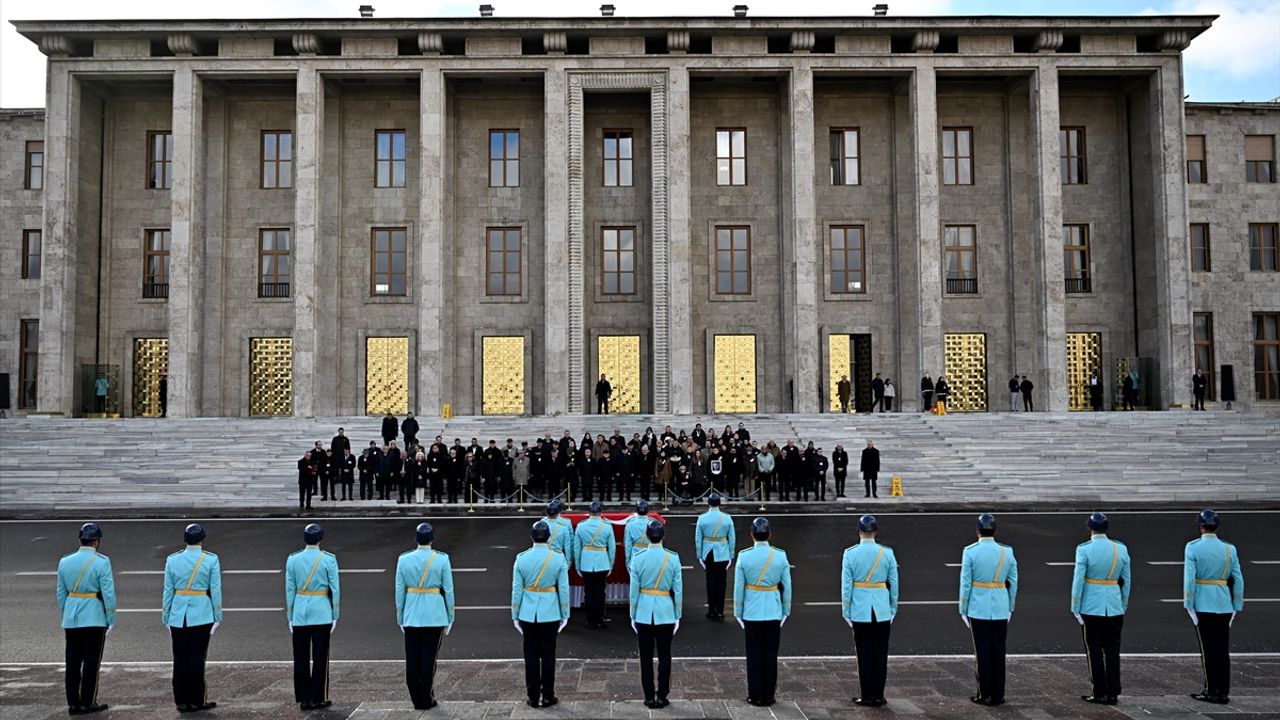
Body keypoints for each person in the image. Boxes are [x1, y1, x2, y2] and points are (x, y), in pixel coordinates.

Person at [1184, 509, 1245, 705]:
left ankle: (1211, 690)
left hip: (1203, 602)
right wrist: (1236, 605)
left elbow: (1189, 580)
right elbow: (1238, 579)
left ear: (1201, 527)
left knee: (1208, 649)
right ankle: (1223, 691)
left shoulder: (1193, 547)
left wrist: (1188, 604)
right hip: (1224, 603)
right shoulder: (1229, 549)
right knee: (1222, 649)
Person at [1070, 512, 1131, 705]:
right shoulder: (1120, 548)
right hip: (1114, 604)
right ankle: (1113, 691)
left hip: (1091, 605)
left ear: (1089, 529)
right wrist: (1122, 603)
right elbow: (1126, 581)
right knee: (1113, 649)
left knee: (1094, 650)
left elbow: (1078, 580)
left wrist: (1075, 606)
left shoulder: (1084, 549)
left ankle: (1100, 691)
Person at [959, 513, 1018, 707]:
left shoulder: (971, 551)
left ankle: (985, 694)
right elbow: (1013, 582)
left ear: (978, 531)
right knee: (998, 651)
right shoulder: (1006, 552)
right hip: (1000, 606)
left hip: (978, 607)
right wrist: (1010, 605)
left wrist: (963, 608)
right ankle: (998, 694)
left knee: (982, 652)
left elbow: (966, 583)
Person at [162, 523, 222, 714]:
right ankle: (197, 699)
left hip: (178, 615)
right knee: (197, 658)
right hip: (202, 614)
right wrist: (217, 615)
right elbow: (216, 590)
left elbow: (168, 591)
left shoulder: (173, 560)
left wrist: (166, 616)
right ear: (202, 539)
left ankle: (181, 700)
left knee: (180, 658)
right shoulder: (210, 560)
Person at [57, 522, 116, 716]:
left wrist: (66, 614)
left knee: (72, 662)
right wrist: (110, 618)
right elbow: (108, 594)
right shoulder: (102, 561)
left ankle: (73, 703)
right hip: (94, 616)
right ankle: (87, 702)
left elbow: (61, 594)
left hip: (72, 618)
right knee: (92, 662)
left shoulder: (65, 561)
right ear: (96, 541)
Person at [733, 517, 793, 707]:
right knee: (770, 655)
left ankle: (755, 695)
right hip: (774, 609)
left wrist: (738, 611)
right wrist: (786, 610)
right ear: (769, 534)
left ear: (752, 535)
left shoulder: (744, 556)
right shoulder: (780, 555)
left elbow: (738, 587)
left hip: (751, 610)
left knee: (754, 655)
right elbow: (787, 587)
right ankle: (768, 695)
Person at [396, 523, 455, 710]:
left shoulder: (403, 560)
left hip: (411, 614)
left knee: (412, 657)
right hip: (435, 614)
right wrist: (450, 616)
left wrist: (400, 617)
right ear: (432, 539)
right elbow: (449, 591)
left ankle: (416, 697)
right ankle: (426, 697)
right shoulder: (442, 559)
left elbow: (399, 592)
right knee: (429, 659)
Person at [841, 514, 898, 708]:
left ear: (859, 532)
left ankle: (867, 695)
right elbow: (894, 584)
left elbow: (846, 586)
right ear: (875, 532)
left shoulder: (850, 553)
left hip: (860, 609)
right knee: (880, 654)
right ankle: (878, 696)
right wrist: (892, 608)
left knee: (864, 654)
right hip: (882, 608)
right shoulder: (887, 553)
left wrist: (846, 610)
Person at [512, 521, 571, 708]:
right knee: (548, 655)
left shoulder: (522, 558)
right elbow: (563, 588)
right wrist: (565, 613)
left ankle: (532, 695)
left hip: (528, 613)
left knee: (530, 655)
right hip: (550, 611)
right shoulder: (558, 558)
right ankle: (547, 695)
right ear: (548, 537)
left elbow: (517, 590)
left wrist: (515, 613)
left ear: (531, 537)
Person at [285, 523, 340, 711]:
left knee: (300, 657)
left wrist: (290, 615)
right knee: (320, 657)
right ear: (320, 539)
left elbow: (290, 590)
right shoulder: (328, 560)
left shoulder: (293, 559)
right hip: (321, 611)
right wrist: (335, 614)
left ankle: (303, 697)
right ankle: (318, 696)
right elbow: (335, 589)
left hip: (300, 611)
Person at [629, 519, 682, 709]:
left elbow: (634, 591)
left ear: (646, 536)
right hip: (665, 611)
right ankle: (662, 695)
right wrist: (677, 614)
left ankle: (649, 696)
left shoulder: (638, 557)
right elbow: (678, 589)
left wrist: (633, 614)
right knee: (665, 656)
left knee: (645, 657)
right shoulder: (672, 558)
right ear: (663, 537)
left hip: (644, 611)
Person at [574, 501, 616, 629]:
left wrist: (577, 564)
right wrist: (611, 564)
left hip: (586, 562)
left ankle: (590, 620)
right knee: (600, 592)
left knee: (588, 592)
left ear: (589, 512)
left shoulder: (581, 526)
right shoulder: (607, 526)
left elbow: (577, 548)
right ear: (601, 512)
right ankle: (599, 619)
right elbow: (612, 548)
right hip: (602, 562)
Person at [695, 494, 736, 621]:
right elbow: (732, 539)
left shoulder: (702, 518)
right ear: (719, 503)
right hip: (722, 552)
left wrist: (699, 555)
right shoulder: (727, 518)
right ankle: (720, 611)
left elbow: (698, 539)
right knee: (722, 583)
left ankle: (711, 610)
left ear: (709, 503)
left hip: (708, 552)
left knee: (710, 582)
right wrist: (731, 554)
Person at [541, 499, 576, 570]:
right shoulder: (566, 522)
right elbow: (569, 544)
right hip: (559, 555)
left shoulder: (542, 521)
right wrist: (569, 560)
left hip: (544, 554)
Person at [624, 500, 653, 568]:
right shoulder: (652, 523)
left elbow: (628, 545)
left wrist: (627, 560)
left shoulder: (630, 524)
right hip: (650, 558)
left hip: (635, 558)